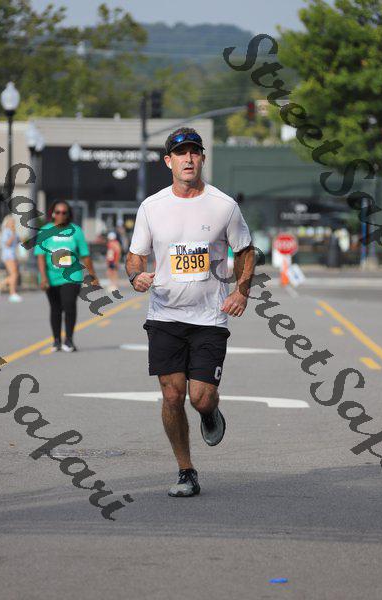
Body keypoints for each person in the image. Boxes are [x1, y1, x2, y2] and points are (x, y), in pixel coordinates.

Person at [126, 127, 254, 497]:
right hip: (165, 315)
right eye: (181, 153)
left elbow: (245, 251)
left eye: (194, 152)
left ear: (202, 158)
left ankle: (210, 412)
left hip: (209, 318)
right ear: (168, 161)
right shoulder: (151, 207)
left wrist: (241, 291)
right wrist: (135, 275)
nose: (188, 159)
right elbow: (135, 256)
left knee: (200, 397)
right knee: (171, 396)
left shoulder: (223, 206)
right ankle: (186, 471)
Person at [34, 200, 99, 352]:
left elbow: (85, 255)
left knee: (69, 305)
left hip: (72, 275)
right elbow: (40, 256)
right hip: (51, 276)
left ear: (69, 214)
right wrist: (43, 277)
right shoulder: (45, 230)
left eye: (64, 212)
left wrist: (92, 275)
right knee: (55, 308)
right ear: (52, 214)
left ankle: (68, 340)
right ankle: (56, 340)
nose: (61, 215)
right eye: (58, 212)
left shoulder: (76, 231)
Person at [0, 215, 23, 302]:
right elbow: (7, 244)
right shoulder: (6, 231)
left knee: (14, 274)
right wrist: (13, 235)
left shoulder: (13, 232)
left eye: (13, 222)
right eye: (11, 222)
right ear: (6, 223)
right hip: (8, 256)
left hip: (13, 255)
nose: (13, 224)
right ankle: (11, 293)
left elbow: (18, 242)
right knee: (14, 274)